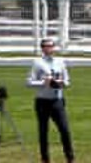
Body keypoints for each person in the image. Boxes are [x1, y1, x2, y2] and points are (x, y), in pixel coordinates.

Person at [26, 35, 76, 163]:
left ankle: (70, 157)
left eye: (52, 46)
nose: (50, 48)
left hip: (57, 100)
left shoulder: (60, 62)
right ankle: (45, 158)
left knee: (65, 129)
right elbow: (29, 82)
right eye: (47, 46)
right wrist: (44, 83)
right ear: (42, 49)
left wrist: (61, 83)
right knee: (43, 131)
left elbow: (67, 81)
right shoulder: (37, 63)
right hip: (42, 101)